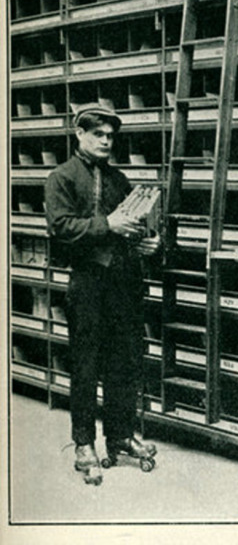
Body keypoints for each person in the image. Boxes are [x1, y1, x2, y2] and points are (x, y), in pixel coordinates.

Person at [45, 104, 161, 485]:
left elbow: (136, 225)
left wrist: (148, 242)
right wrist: (107, 224)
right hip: (88, 281)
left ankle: (120, 436)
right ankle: (83, 443)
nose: (106, 142)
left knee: (123, 362)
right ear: (80, 134)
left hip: (123, 282)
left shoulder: (119, 179)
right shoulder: (61, 177)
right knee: (85, 363)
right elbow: (61, 227)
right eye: (99, 135)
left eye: (111, 136)